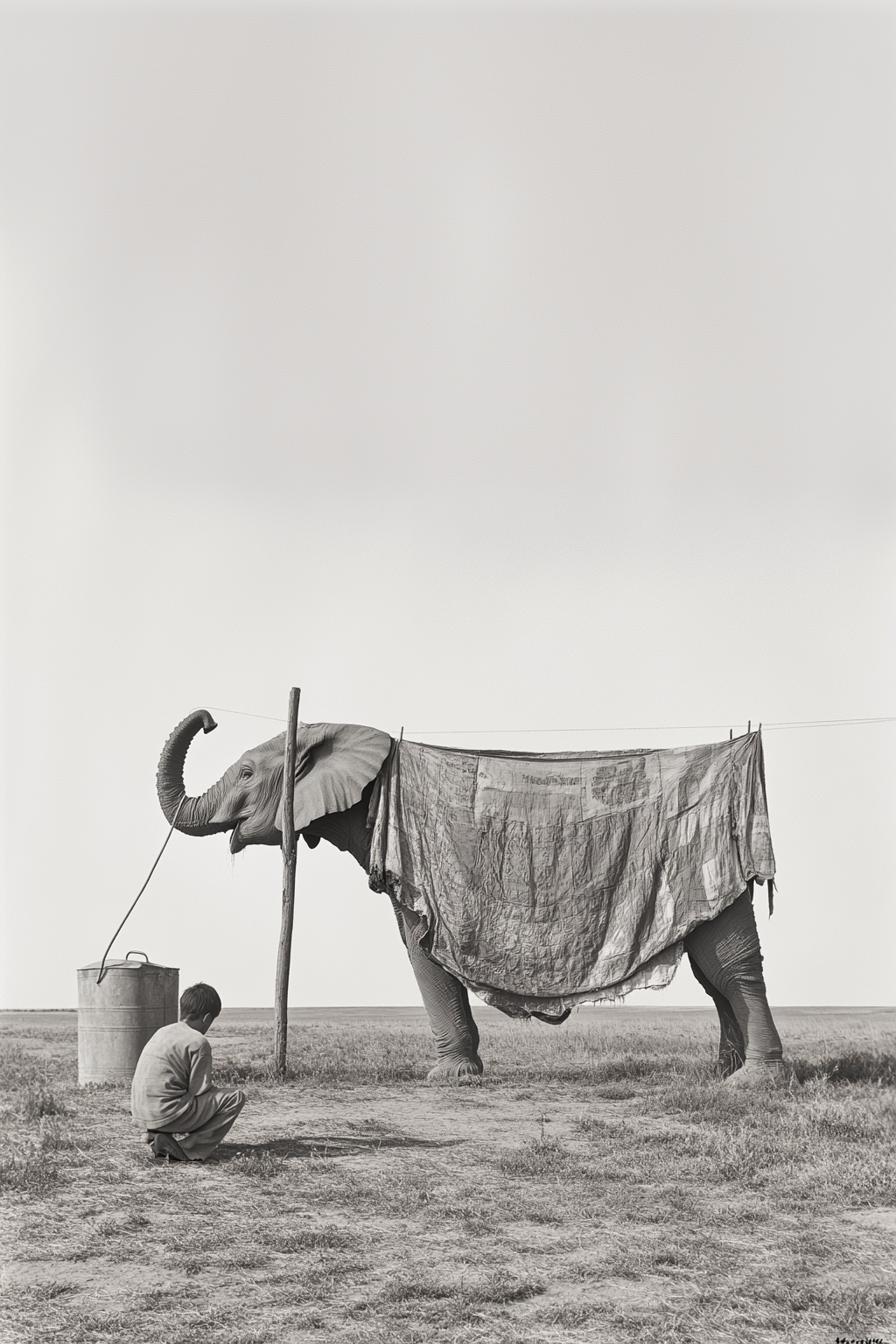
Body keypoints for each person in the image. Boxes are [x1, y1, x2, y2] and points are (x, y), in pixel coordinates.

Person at [130, 982, 245, 1161]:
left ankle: (157, 1134)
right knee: (235, 1098)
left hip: (142, 1114)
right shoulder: (198, 1041)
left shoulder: (162, 1031)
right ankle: (187, 1150)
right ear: (207, 1018)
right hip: (166, 1114)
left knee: (178, 1094)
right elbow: (199, 1090)